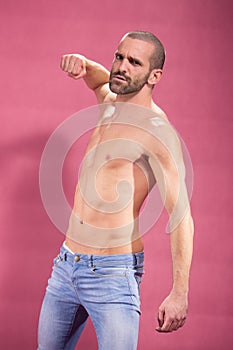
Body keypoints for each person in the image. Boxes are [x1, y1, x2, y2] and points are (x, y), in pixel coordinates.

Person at [37, 31, 194, 350]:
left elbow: (181, 217)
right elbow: (97, 81)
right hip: (66, 266)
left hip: (112, 274)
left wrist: (180, 292)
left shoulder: (156, 130)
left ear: (154, 75)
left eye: (134, 62)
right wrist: (82, 62)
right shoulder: (109, 101)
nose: (122, 66)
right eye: (119, 57)